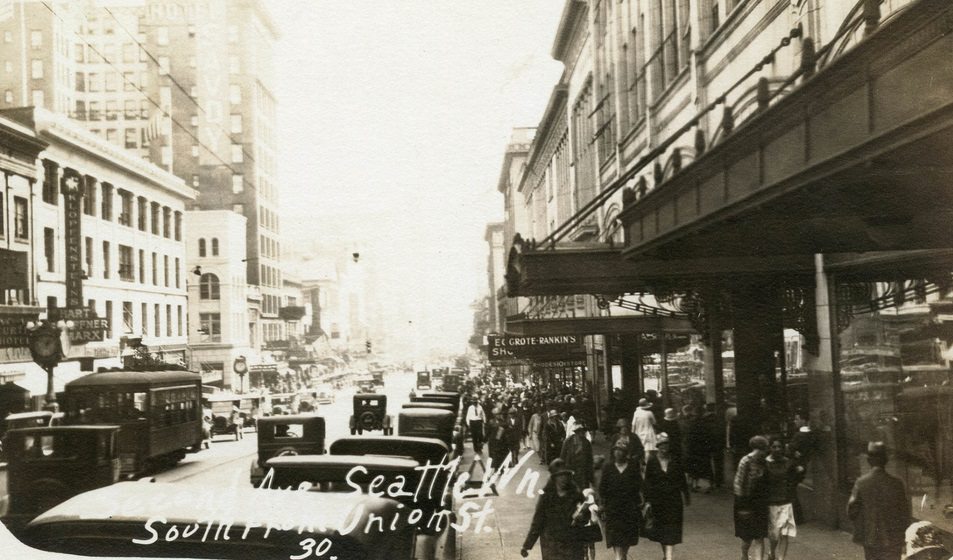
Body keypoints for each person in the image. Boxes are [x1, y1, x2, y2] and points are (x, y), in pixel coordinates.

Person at [847, 441, 910, 560]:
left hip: (871, 537)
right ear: (886, 460)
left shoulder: (861, 483)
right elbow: (904, 513)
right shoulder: (897, 483)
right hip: (894, 538)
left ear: (869, 460)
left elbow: (852, 511)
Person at [521, 459, 586, 560]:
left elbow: (586, 513)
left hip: (572, 544)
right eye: (560, 476)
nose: (564, 478)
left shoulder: (576, 494)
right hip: (552, 545)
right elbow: (538, 521)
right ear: (554, 477)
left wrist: (582, 517)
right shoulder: (546, 496)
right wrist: (527, 545)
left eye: (566, 475)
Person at [644, 432, 690, 560]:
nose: (665, 447)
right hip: (658, 501)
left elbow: (682, 479)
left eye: (667, 445)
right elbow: (647, 482)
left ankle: (669, 557)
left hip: (674, 500)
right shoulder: (652, 461)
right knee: (662, 531)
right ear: (658, 446)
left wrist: (686, 495)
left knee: (672, 529)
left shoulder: (675, 460)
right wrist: (647, 501)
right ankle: (666, 555)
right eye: (662, 445)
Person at [599, 439, 642, 560]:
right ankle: (619, 557)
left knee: (627, 538)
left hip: (630, 508)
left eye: (621, 451)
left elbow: (639, 484)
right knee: (615, 538)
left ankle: (622, 556)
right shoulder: (608, 467)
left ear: (626, 453)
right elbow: (602, 488)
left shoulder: (633, 466)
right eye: (616, 450)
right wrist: (602, 504)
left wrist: (642, 501)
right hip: (613, 508)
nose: (618, 453)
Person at [764, 437, 804, 560]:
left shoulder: (788, 462)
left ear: (783, 448)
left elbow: (797, 476)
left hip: (786, 502)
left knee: (785, 533)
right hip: (771, 503)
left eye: (779, 447)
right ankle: (771, 552)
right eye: (774, 447)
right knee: (774, 534)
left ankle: (781, 558)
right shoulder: (765, 463)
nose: (777, 449)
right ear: (770, 448)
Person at [734, 435, 770, 560]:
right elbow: (738, 483)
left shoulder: (765, 462)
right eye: (764, 449)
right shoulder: (746, 461)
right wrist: (742, 505)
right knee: (747, 537)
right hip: (746, 502)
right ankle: (744, 555)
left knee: (760, 536)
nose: (765, 452)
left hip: (760, 503)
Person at [561, 422, 594, 490]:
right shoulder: (568, 441)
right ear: (576, 432)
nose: (582, 433)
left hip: (582, 472)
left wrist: (590, 476)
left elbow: (590, 459)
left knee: (583, 491)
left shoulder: (586, 443)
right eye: (580, 431)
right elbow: (562, 456)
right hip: (571, 470)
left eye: (584, 431)